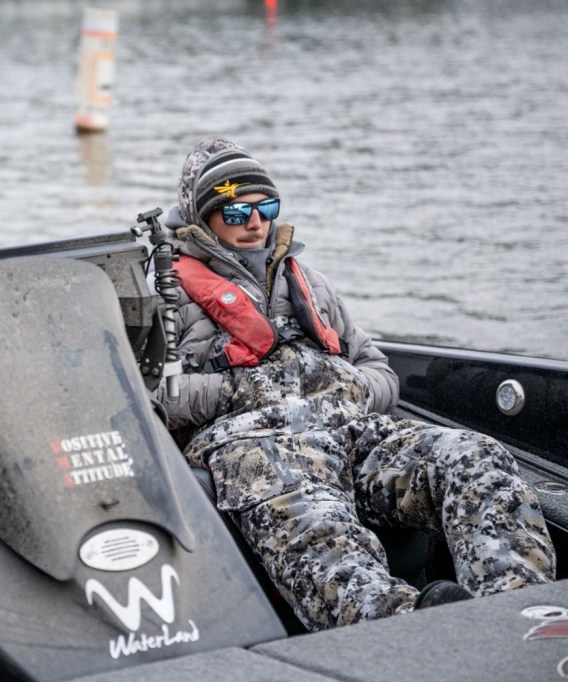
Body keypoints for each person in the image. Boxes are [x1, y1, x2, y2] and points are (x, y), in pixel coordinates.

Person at [155, 136, 555, 631]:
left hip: (351, 433)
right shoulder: (163, 295)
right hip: (258, 447)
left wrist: (352, 385)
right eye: (237, 212)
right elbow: (149, 396)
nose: (256, 223)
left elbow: (380, 372)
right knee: (320, 529)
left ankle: (517, 612)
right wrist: (239, 391)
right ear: (202, 217)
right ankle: (413, 631)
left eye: (266, 208)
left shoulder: (310, 282)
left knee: (477, 458)